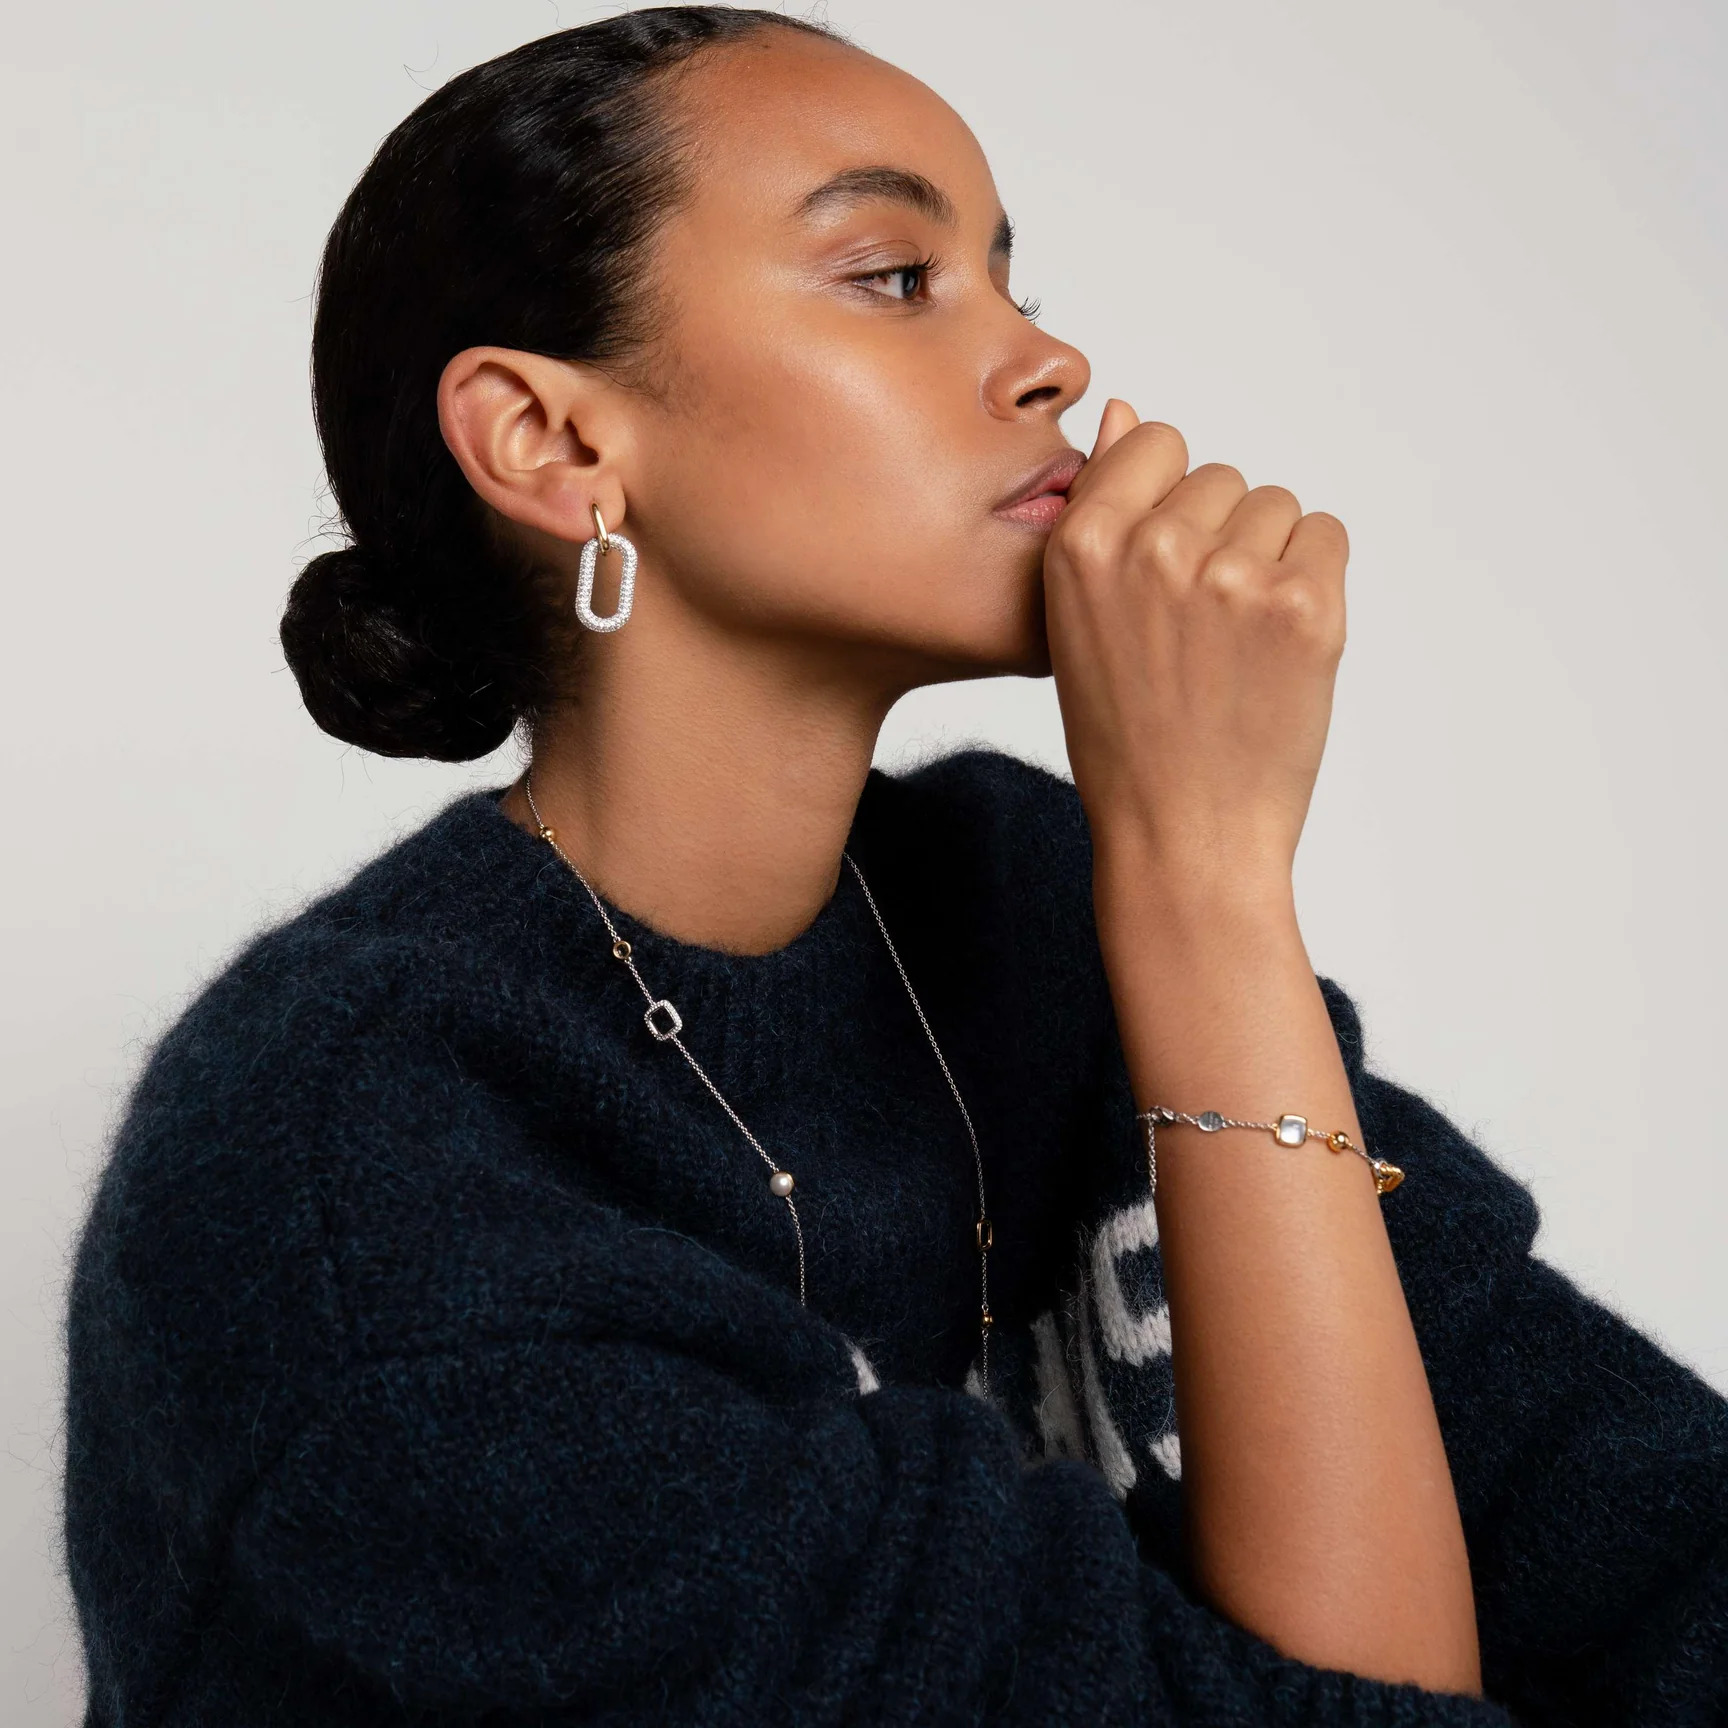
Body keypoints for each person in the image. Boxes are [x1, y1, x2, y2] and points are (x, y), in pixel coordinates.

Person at [63, 8, 1727, 1724]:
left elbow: (1645, 1533)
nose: (1049, 360)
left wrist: (1177, 897)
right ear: (555, 445)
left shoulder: (1023, 909)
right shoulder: (360, 1188)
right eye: (892, 277)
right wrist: (1208, 886)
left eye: (1011, 277)